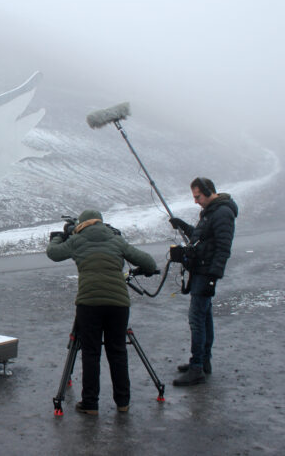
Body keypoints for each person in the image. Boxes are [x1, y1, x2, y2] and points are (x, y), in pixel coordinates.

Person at [47, 209, 156, 415]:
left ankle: (90, 404)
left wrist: (57, 238)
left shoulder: (77, 241)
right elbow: (148, 262)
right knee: (117, 352)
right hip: (118, 304)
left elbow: (54, 253)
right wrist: (147, 270)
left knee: (91, 353)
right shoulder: (116, 240)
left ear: (81, 224)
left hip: (89, 304)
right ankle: (123, 402)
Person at [169, 177, 238, 386]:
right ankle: (203, 361)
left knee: (196, 319)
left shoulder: (222, 213)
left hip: (206, 274)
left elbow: (223, 248)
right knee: (204, 317)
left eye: (198, 196)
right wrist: (182, 225)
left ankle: (197, 367)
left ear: (209, 191)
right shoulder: (211, 213)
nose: (196, 201)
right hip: (201, 271)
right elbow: (201, 237)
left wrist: (212, 278)